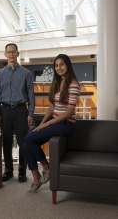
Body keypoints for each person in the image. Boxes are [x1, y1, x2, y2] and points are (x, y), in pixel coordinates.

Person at [23, 54, 80, 193]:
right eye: (56, 65)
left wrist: (47, 125)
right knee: (26, 145)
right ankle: (36, 178)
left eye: (62, 64)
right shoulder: (56, 82)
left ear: (68, 65)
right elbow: (51, 107)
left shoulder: (73, 84)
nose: (59, 68)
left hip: (66, 124)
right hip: (55, 122)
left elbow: (68, 113)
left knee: (28, 138)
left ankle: (47, 168)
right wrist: (41, 124)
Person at [0, 43, 35, 182]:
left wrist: (30, 113)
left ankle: (22, 171)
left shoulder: (26, 73)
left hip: (21, 110)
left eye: (14, 51)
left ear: (18, 54)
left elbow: (31, 94)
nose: (11, 54)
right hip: (5, 110)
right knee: (6, 141)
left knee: (23, 142)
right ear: (5, 54)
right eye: (9, 52)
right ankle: (8, 170)